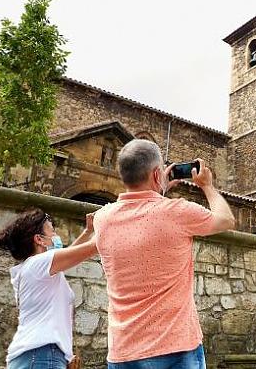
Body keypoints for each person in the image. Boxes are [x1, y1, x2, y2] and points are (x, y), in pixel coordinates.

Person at [95, 139, 235, 368]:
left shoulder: (103, 218)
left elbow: (141, 212)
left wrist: (158, 188)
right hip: (175, 349)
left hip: (123, 352)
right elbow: (226, 219)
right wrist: (207, 186)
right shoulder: (176, 212)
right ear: (156, 173)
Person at [0, 209, 98, 369]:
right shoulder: (40, 263)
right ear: (39, 239)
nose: (56, 235)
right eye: (52, 231)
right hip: (42, 354)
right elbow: (92, 248)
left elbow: (68, 254)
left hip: (34, 355)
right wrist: (114, 220)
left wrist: (87, 231)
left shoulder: (33, 268)